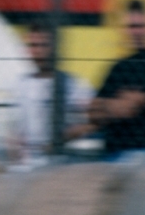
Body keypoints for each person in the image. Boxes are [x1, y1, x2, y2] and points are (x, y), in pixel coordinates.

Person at [8, 22, 95, 166]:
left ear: (53, 48)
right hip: (27, 167)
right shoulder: (21, 84)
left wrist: (61, 138)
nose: (38, 51)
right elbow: (15, 131)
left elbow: (95, 121)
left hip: (57, 166)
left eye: (43, 45)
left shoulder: (70, 84)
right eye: (33, 46)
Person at [88, 0, 145, 157]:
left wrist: (108, 105)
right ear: (124, 30)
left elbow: (127, 108)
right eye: (132, 26)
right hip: (114, 151)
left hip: (143, 151)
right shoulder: (116, 68)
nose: (136, 32)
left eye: (140, 26)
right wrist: (118, 105)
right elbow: (93, 113)